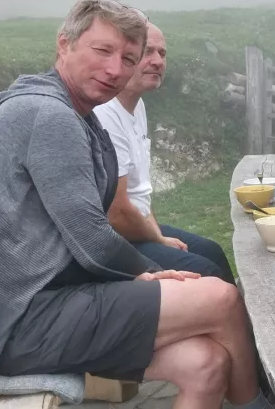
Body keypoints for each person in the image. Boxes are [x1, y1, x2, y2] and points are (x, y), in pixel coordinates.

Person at [0, 0, 273, 409]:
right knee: (221, 298)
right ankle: (257, 404)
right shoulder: (49, 115)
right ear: (64, 44)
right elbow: (90, 232)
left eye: (128, 58)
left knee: (204, 363)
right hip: (15, 321)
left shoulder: (72, 112)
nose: (115, 70)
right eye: (103, 51)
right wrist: (146, 272)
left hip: (13, 308)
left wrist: (141, 274)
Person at [94, 19, 235, 284]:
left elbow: (141, 193)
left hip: (137, 227)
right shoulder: (105, 114)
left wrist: (156, 231)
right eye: (147, 52)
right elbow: (117, 212)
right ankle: (221, 320)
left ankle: (242, 323)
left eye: (162, 53)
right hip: (114, 238)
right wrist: (158, 238)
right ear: (126, 57)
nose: (158, 61)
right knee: (207, 273)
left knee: (212, 251)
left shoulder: (137, 107)